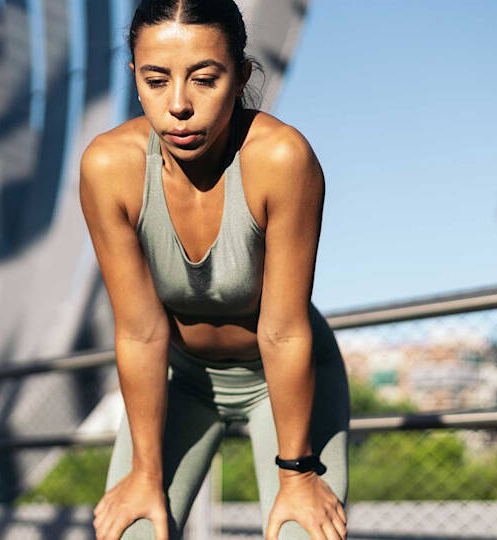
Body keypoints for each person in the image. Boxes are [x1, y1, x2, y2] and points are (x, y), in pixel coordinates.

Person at [78, 1, 350, 538]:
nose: (178, 104)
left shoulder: (281, 158)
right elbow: (140, 331)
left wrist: (298, 474)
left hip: (281, 376)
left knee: (303, 532)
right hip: (180, 377)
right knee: (134, 531)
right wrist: (144, 475)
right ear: (134, 76)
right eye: (156, 80)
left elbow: (283, 330)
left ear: (242, 76)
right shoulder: (109, 167)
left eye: (204, 79)